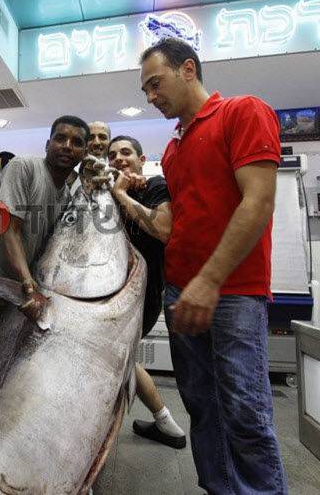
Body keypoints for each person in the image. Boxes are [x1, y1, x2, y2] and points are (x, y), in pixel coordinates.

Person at [139, 38, 288, 494]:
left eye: (155, 83)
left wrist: (209, 280)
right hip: (180, 290)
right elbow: (176, 225)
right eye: (144, 90)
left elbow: (258, 202)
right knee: (202, 406)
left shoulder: (243, 112)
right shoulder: (172, 150)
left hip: (233, 292)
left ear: (188, 69)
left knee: (244, 410)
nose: (150, 96)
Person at [0, 115, 89, 407]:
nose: (67, 146)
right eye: (60, 138)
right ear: (48, 143)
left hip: (18, 297)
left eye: (76, 143)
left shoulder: (64, 195)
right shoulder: (23, 168)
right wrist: (28, 284)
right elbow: (9, 229)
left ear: (83, 154)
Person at [108, 135, 187, 449]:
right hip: (110, 295)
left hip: (142, 297)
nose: (119, 159)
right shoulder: (107, 196)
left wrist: (122, 195)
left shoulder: (154, 186)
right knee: (119, 360)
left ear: (141, 159)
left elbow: (164, 229)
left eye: (126, 152)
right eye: (112, 155)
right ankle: (166, 423)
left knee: (114, 361)